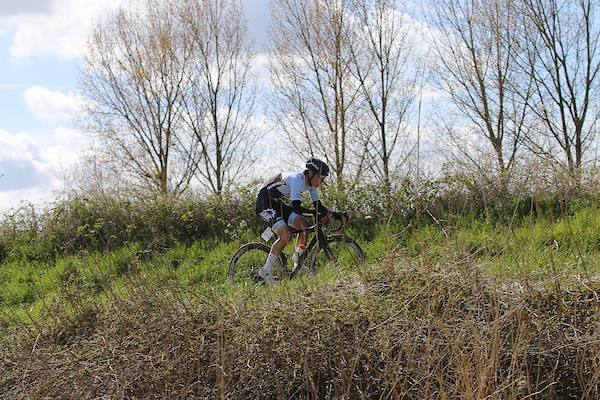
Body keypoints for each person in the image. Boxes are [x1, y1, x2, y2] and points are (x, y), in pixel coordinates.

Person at [254, 157, 338, 284]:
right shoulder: (298, 180)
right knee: (286, 234)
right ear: (310, 173)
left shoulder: (312, 185)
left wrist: (335, 214)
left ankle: (297, 260)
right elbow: (297, 209)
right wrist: (317, 214)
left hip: (276, 203)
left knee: (304, 226)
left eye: (324, 178)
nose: (322, 181)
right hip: (264, 202)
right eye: (321, 177)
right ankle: (265, 270)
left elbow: (318, 208)